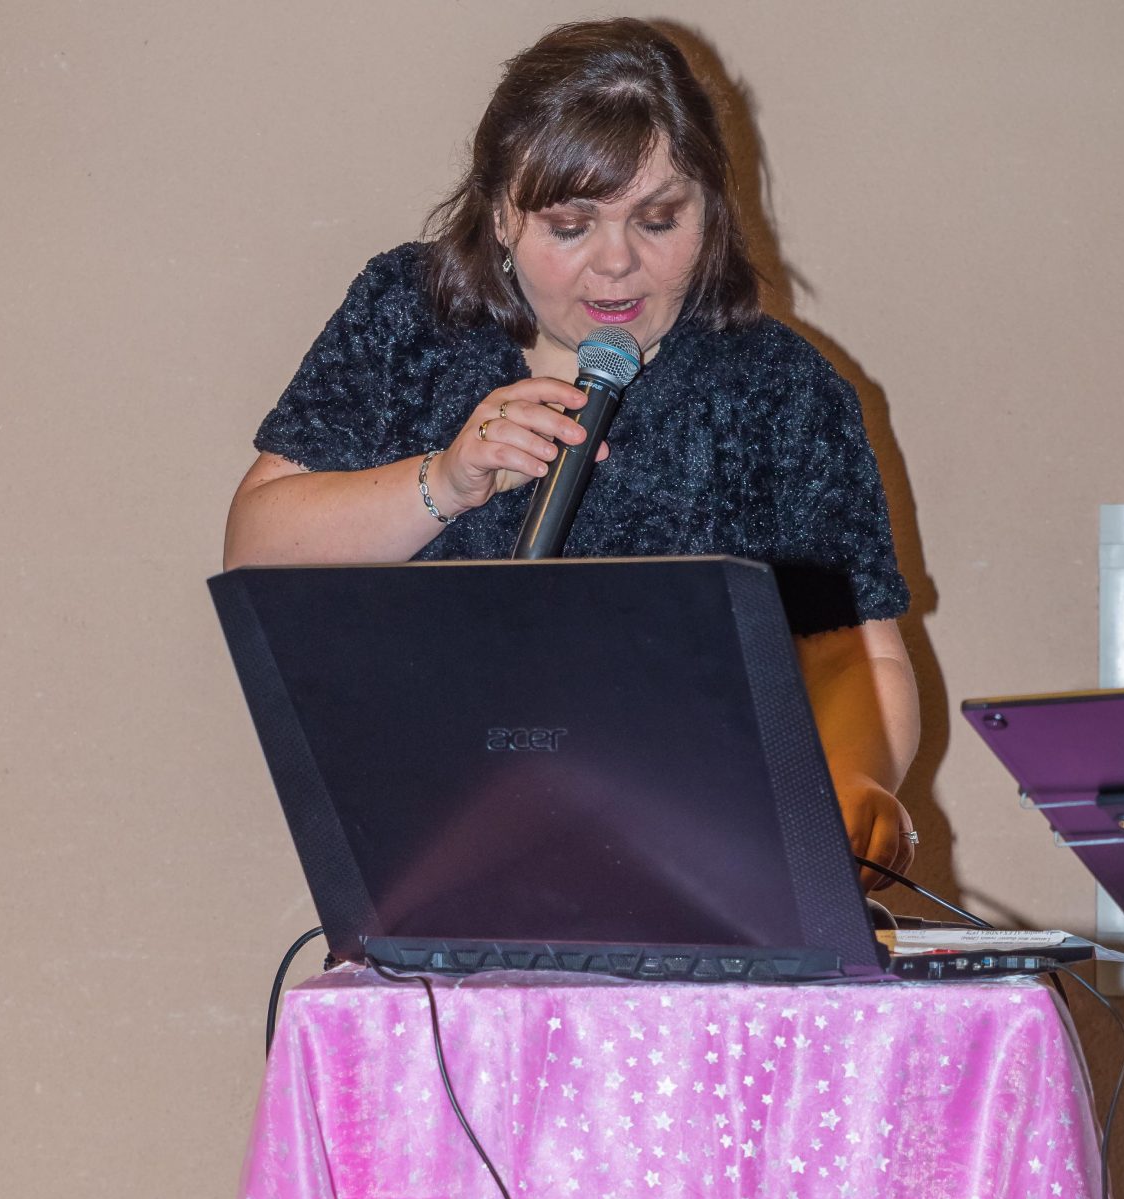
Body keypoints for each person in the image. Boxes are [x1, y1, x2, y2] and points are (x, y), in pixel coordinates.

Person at [224, 16, 920, 878]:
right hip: (431, 848)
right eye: (569, 226)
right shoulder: (411, 315)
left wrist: (850, 789)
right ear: (500, 216)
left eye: (658, 220)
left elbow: (859, 654)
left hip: (702, 860)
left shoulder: (778, 389)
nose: (615, 263)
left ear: (710, 212)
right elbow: (255, 552)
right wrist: (445, 481)